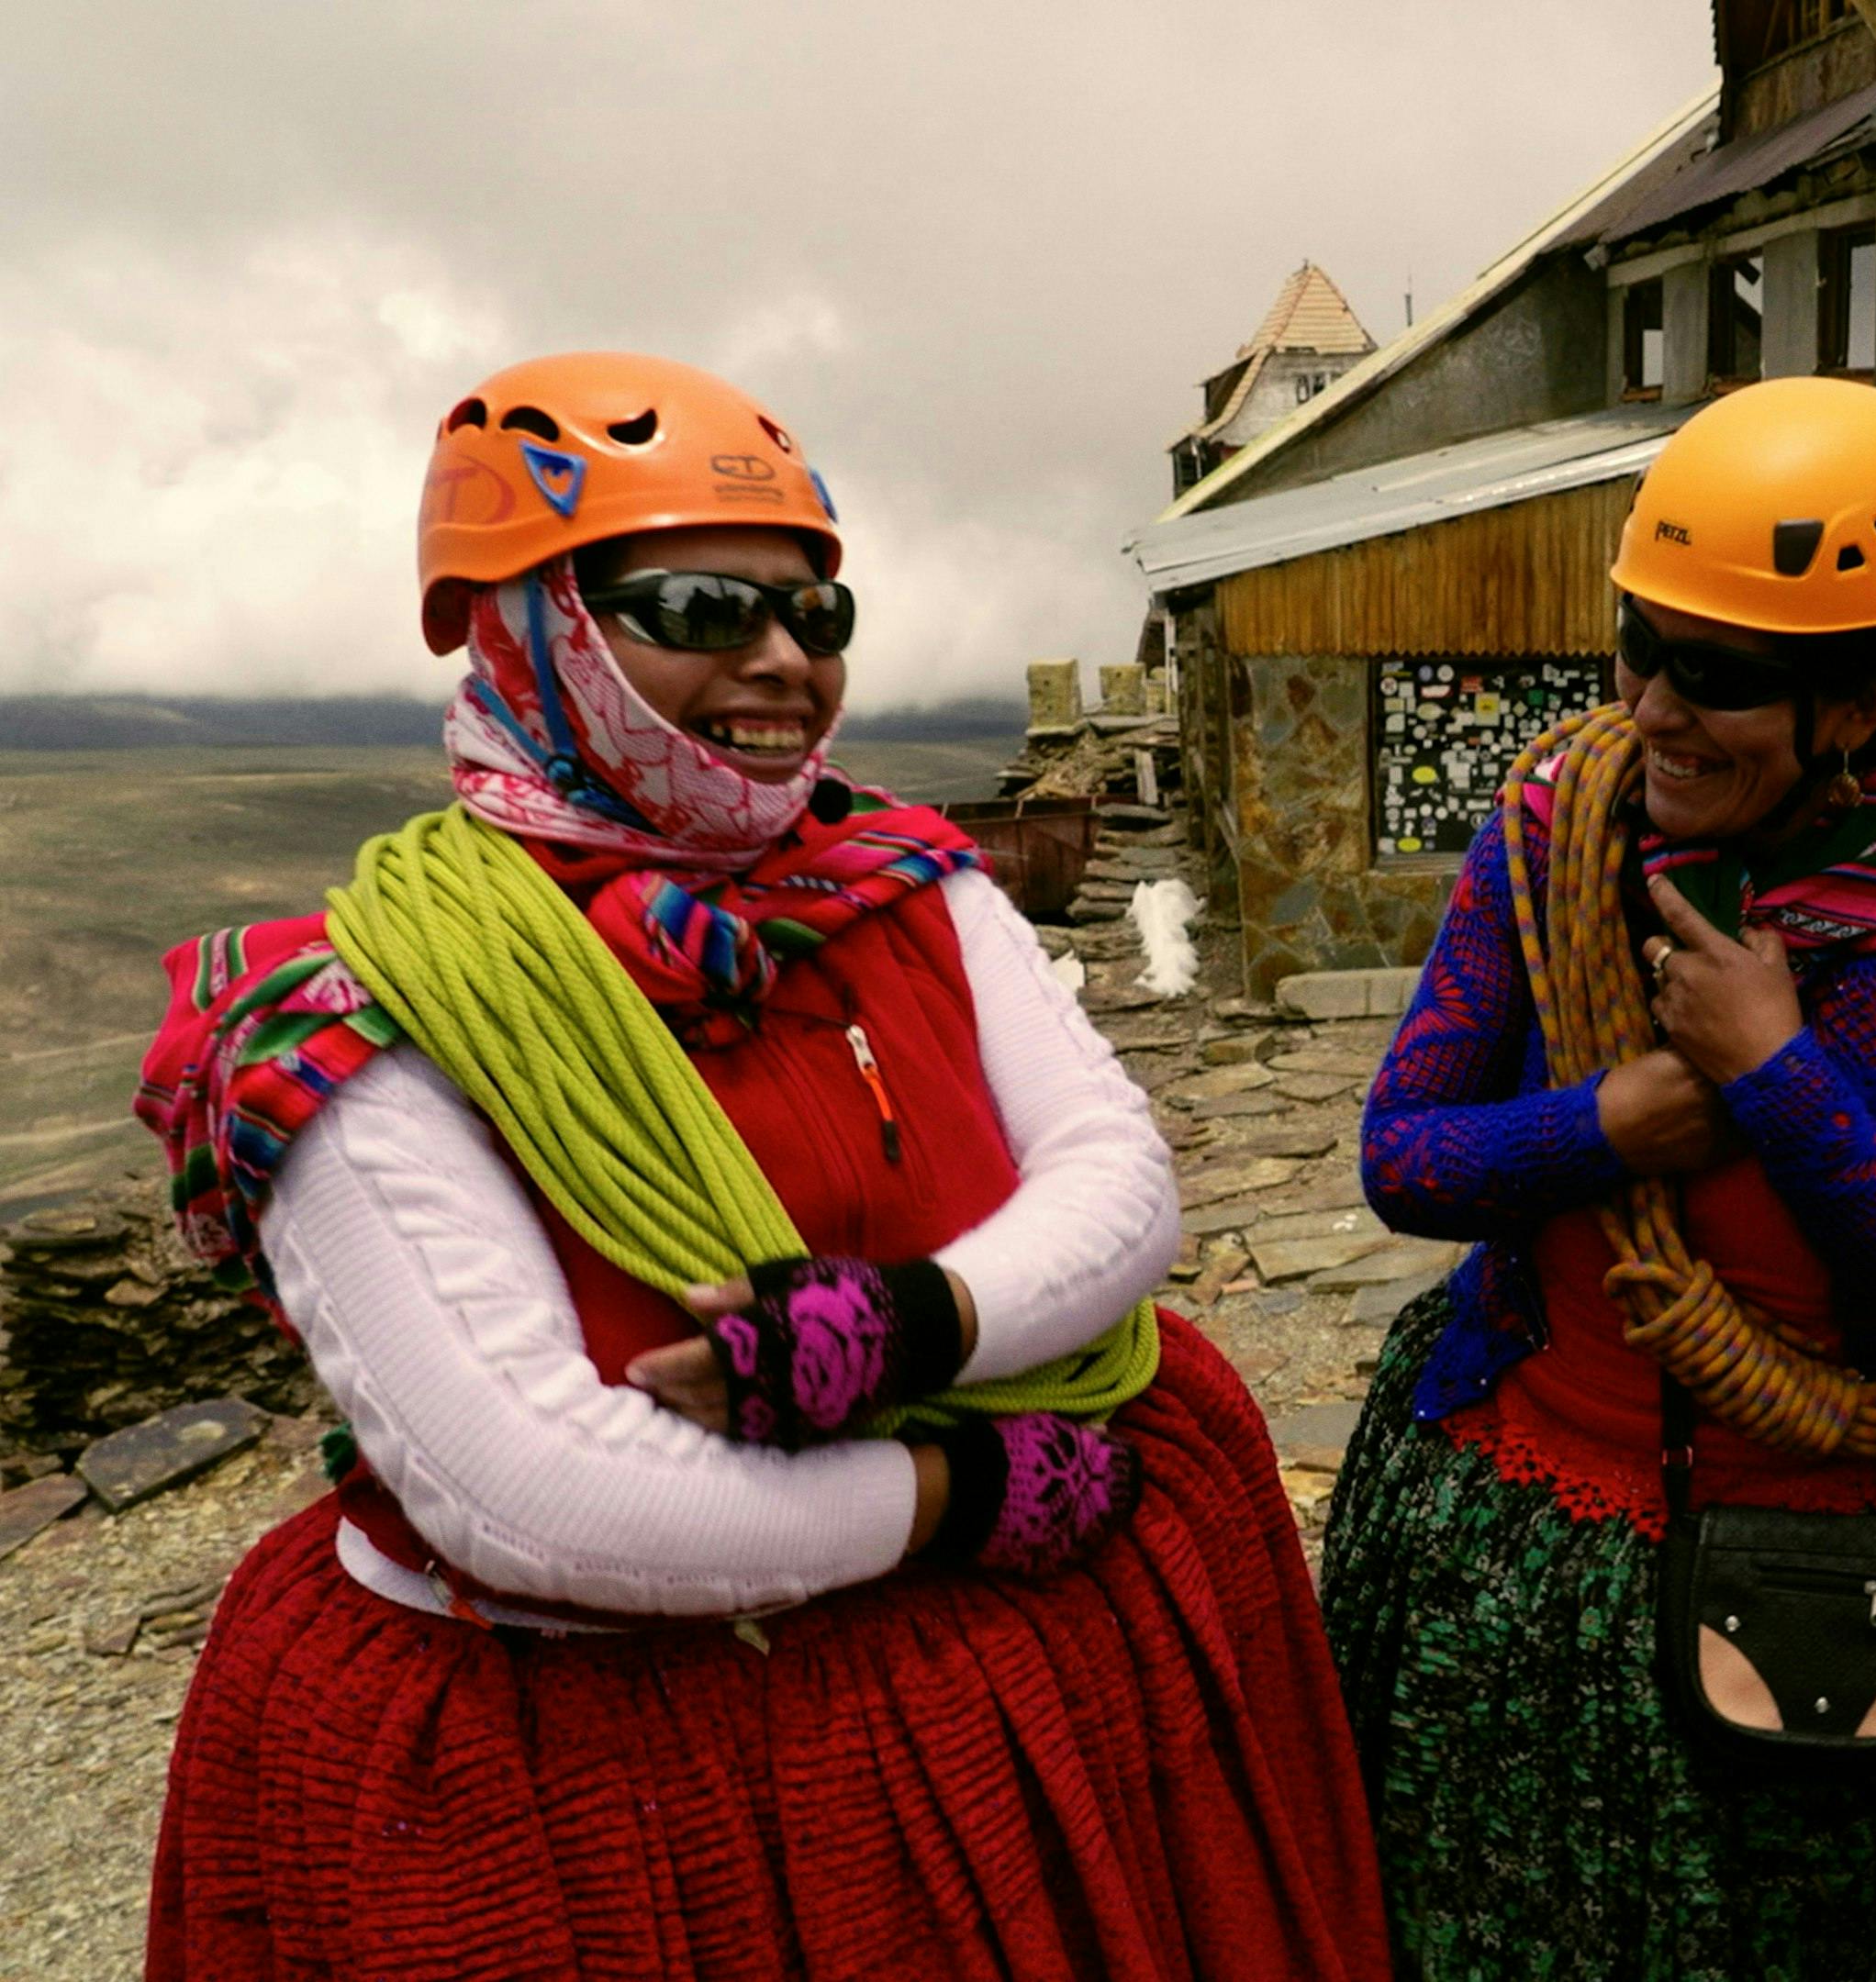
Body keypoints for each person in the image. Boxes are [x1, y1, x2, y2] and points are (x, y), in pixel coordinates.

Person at [137, 353, 1386, 1979]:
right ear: (531, 628)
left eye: (821, 616)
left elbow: (1113, 1174)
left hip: (1003, 1673)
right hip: (615, 1769)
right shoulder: (362, 1018)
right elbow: (532, 1486)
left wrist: (914, 1326)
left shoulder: (903, 885)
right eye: (707, 608)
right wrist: (955, 1488)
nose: (785, 660)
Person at [1322, 376, 1876, 1976]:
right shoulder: (1548, 836)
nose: (1652, 710)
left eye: (1719, 678)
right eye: (1640, 646)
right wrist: (1610, 1127)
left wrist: (1779, 1074)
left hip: (1861, 1522)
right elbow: (1405, 1158)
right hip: (1561, 1496)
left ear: (1861, 702)